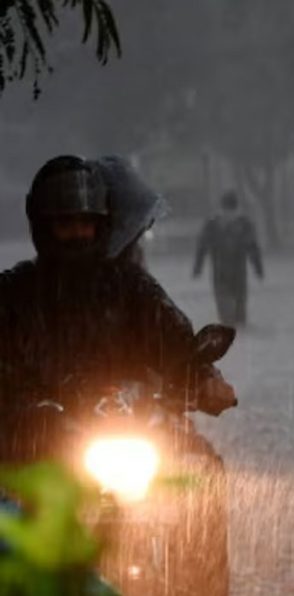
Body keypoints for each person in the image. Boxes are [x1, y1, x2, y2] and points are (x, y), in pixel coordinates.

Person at [0, 155, 236, 417]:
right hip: (35, 444)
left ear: (100, 226)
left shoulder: (130, 287)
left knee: (198, 455)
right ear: (44, 228)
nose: (78, 232)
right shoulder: (14, 294)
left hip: (128, 426)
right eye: (65, 224)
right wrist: (29, 411)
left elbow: (172, 341)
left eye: (86, 223)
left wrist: (203, 379)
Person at [193, 191, 264, 327]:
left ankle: (234, 332)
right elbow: (253, 247)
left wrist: (198, 268)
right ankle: (238, 333)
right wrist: (258, 269)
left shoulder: (213, 223)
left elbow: (202, 246)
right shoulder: (243, 223)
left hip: (223, 272)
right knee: (235, 312)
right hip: (233, 272)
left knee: (230, 313)